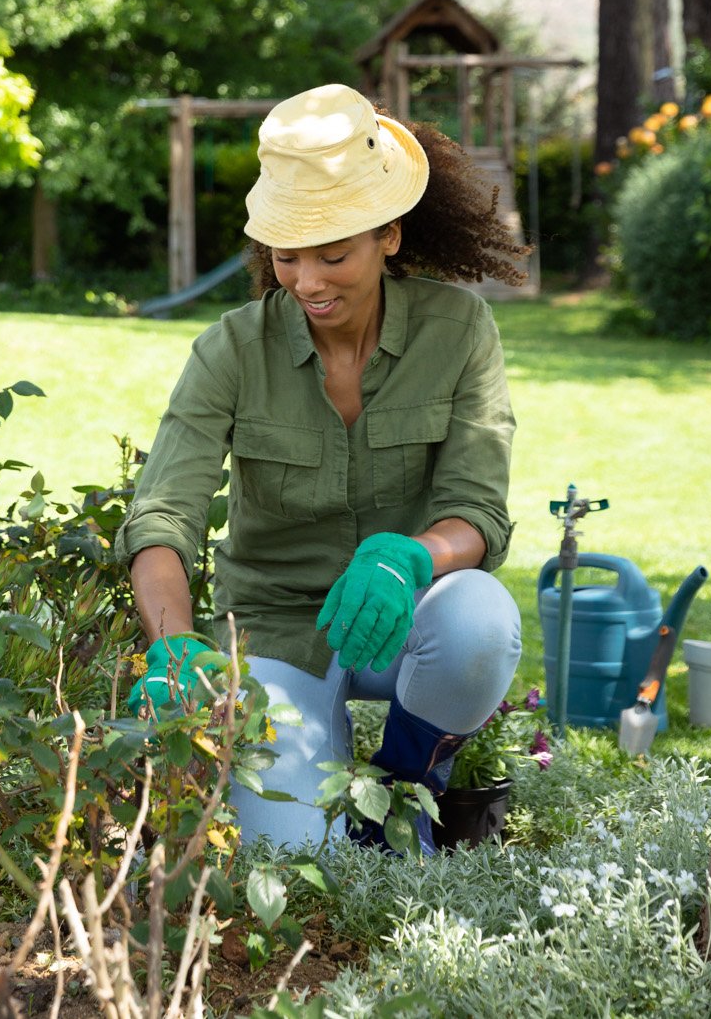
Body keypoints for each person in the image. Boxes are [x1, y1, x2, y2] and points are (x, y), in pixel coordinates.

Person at [115, 83, 527, 850]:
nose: (307, 281)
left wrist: (414, 555)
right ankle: (343, 822)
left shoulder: (460, 329)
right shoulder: (231, 350)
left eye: (334, 254)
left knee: (480, 618)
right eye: (287, 254)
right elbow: (164, 514)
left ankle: (406, 793)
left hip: (408, 617)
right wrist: (172, 637)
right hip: (276, 631)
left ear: (389, 237)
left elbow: (479, 507)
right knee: (301, 852)